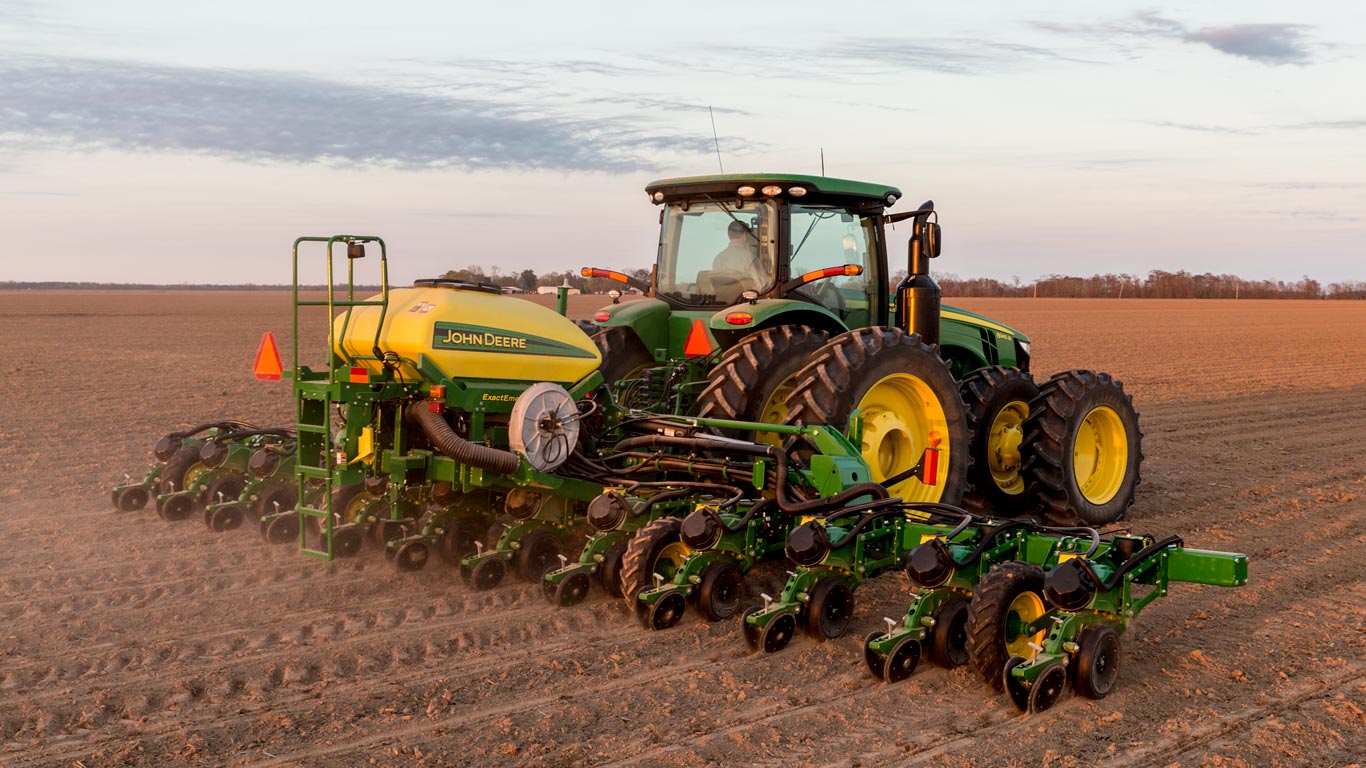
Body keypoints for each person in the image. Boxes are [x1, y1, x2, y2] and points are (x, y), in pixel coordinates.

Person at [712, 220, 765, 289]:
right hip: (744, 298)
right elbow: (762, 285)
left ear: (729, 236)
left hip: (723, 298)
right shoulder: (750, 258)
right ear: (744, 235)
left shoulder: (718, 258)